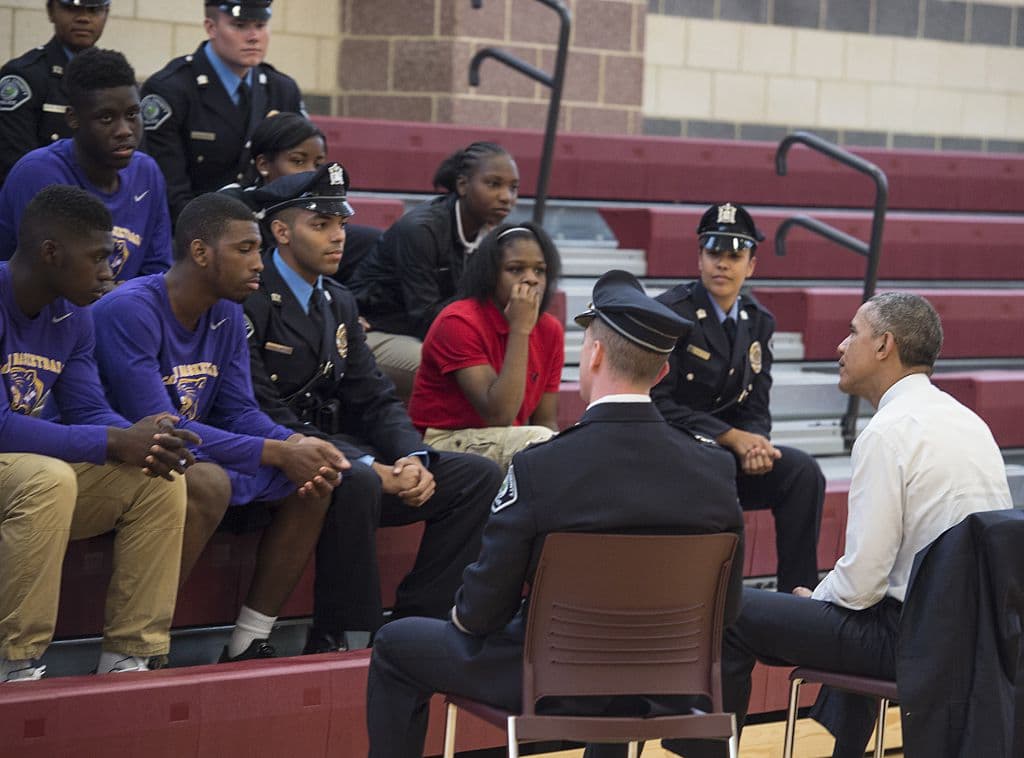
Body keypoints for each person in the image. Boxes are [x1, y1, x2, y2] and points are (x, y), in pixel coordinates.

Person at [365, 269, 745, 758]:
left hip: (552, 681)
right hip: (671, 682)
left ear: (594, 354)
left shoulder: (543, 465)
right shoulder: (714, 468)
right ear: (663, 371)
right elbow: (726, 611)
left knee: (397, 644)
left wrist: (463, 618)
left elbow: (482, 613)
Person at [670, 292, 1013, 758]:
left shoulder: (887, 433)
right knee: (850, 611)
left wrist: (817, 598)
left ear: (883, 346)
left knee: (731, 609)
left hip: (911, 640)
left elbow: (861, 585)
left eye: (853, 332)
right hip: (975, 641)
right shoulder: (970, 422)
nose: (839, 346)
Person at [241, 163, 502, 651]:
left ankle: (420, 621)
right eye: (320, 225)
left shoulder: (337, 301)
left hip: (341, 453)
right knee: (356, 479)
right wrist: (365, 463)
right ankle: (346, 635)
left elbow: (376, 396)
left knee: (476, 478)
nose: (338, 236)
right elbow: (266, 410)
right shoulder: (251, 300)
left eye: (340, 223)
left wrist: (410, 456)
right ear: (280, 231)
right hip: (284, 460)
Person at [90, 191, 348, 663]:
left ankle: (249, 638)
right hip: (127, 453)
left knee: (315, 475)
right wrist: (275, 452)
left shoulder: (227, 311)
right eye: (245, 249)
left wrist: (294, 443)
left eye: (258, 250)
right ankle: (135, 650)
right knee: (207, 483)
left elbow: (239, 410)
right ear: (200, 252)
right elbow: (161, 427)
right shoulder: (130, 310)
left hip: (190, 448)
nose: (259, 263)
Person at [0, 185, 196, 681]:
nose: (110, 272)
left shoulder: (74, 313)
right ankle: (13, 660)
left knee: (157, 477)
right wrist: (113, 442)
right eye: (97, 258)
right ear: (51, 253)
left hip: (16, 476)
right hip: (22, 472)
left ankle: (130, 656)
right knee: (48, 479)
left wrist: (142, 436)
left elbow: (88, 408)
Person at [651, 202, 824, 594]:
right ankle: (720, 604)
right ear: (699, 257)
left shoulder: (758, 320)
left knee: (802, 473)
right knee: (717, 468)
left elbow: (756, 404)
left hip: (726, 455)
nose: (723, 264)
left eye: (735, 255)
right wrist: (732, 438)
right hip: (676, 455)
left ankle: (798, 600)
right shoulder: (670, 312)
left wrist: (756, 444)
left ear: (751, 266)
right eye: (714, 253)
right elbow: (658, 404)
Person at [349, 141, 519, 399]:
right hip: (373, 331)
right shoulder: (422, 230)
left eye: (513, 187)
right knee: (454, 372)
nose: (506, 196)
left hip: (421, 332)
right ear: (462, 185)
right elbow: (425, 318)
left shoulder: (490, 235)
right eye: (494, 184)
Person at [0, 48, 172, 281]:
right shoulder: (39, 173)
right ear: (72, 118)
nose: (124, 130)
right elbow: (55, 283)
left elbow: (157, 275)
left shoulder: (147, 173)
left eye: (132, 114)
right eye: (106, 118)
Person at [408, 222, 564, 471]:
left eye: (540, 270)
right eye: (515, 269)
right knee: (538, 442)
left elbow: (545, 420)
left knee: (567, 449)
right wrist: (520, 330)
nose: (531, 279)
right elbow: (498, 414)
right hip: (441, 445)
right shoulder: (458, 321)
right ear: (491, 275)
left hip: (508, 441)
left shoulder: (550, 329)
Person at [140, 0, 305, 222]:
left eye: (260, 25)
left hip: (266, 228)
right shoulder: (171, 89)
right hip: (196, 231)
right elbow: (170, 192)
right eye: (240, 25)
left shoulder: (282, 90)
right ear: (211, 28)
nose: (253, 36)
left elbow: (297, 177)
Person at [222, 111, 378, 284]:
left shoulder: (317, 215)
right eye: (298, 161)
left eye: (318, 164)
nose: (311, 172)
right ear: (263, 164)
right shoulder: (230, 206)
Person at [0, 0, 110, 185]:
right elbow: (17, 166)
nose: (83, 18)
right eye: (71, 8)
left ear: (106, 13)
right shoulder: (24, 77)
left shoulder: (115, 77)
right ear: (51, 11)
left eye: (93, 9)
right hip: (45, 204)